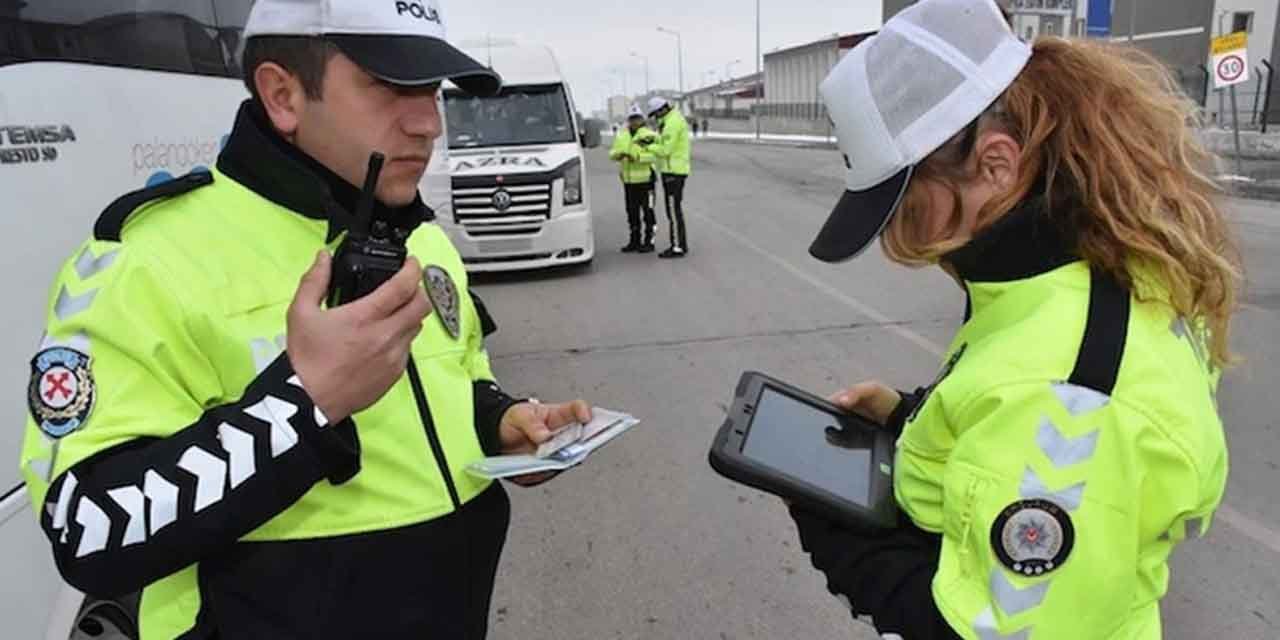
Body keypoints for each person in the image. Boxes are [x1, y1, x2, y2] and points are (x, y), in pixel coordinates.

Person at [18, 0, 594, 638]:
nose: (428, 122)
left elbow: (456, 378)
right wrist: (304, 405)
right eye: (392, 86)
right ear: (283, 95)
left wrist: (499, 421)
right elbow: (87, 529)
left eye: (432, 89)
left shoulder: (420, 238)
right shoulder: (143, 262)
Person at [790, 0, 1239, 638]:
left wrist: (826, 521)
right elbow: (1020, 416)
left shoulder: (1064, 389)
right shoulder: (1090, 265)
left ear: (995, 165)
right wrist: (912, 416)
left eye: (899, 201)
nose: (894, 234)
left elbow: (980, 629)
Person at [608, 105, 660, 253]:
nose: (634, 121)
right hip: (629, 181)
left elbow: (656, 156)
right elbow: (612, 152)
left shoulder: (650, 135)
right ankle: (634, 240)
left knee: (648, 211)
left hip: (646, 180)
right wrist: (618, 155)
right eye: (632, 119)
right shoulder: (622, 135)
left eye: (637, 118)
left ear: (642, 119)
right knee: (632, 212)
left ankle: (649, 241)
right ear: (628, 120)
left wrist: (637, 157)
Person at [647, 97, 693, 258]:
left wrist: (648, 146)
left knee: (673, 210)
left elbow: (666, 150)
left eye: (655, 114)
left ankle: (678, 247)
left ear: (662, 110)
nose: (655, 117)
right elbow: (664, 141)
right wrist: (654, 139)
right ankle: (680, 243)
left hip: (674, 172)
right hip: (672, 170)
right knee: (674, 209)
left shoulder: (672, 123)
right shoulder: (670, 120)